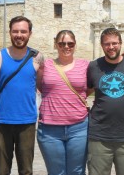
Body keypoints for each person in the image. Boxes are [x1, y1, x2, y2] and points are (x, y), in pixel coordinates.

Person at [0, 16, 44, 175]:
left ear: (30, 33)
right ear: (10, 33)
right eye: (15, 31)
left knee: (26, 170)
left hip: (27, 122)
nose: (19, 35)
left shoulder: (37, 58)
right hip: (2, 122)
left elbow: (41, 88)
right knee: (2, 170)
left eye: (23, 31)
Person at [86, 27, 124, 175]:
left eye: (115, 43)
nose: (111, 47)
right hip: (99, 137)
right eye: (107, 44)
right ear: (102, 45)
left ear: (121, 43)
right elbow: (85, 91)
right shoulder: (93, 66)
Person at [36, 30, 89, 175]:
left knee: (77, 171)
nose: (66, 46)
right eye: (62, 43)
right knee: (55, 172)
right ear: (56, 45)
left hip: (78, 128)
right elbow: (38, 86)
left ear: (75, 45)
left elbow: (91, 86)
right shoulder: (45, 65)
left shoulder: (85, 65)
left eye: (70, 43)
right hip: (49, 129)